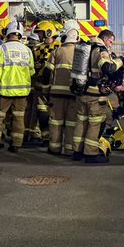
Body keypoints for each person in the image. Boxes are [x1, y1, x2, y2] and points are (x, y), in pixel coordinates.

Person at [0, 20, 34, 154]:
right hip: (22, 93)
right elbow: (31, 71)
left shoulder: (2, 49)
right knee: (19, 118)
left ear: (8, 33)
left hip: (4, 92)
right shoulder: (27, 50)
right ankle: (16, 144)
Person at [74, 28, 120, 165]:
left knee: (81, 122)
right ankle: (91, 153)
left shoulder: (86, 47)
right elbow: (108, 68)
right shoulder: (101, 50)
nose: (111, 45)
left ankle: (77, 151)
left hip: (82, 92)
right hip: (95, 95)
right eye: (110, 42)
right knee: (95, 124)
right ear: (105, 39)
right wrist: (119, 61)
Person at [47, 26, 80, 156]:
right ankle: (69, 149)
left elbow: (46, 73)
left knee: (56, 122)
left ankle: (54, 148)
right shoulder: (80, 53)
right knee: (71, 123)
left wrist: (45, 90)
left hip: (56, 94)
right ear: (77, 39)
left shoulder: (57, 51)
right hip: (74, 94)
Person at [25, 30, 52, 146]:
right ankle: (38, 134)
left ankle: (31, 133)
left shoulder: (40, 50)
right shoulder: (43, 50)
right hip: (39, 87)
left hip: (33, 87)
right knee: (37, 111)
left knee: (31, 111)